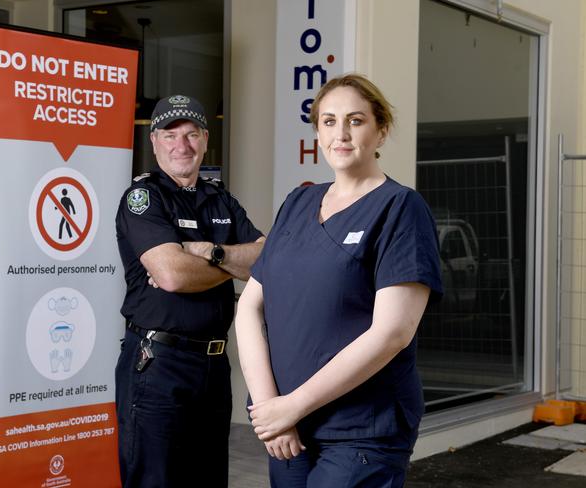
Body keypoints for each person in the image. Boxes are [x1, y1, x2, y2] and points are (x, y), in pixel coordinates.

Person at [235, 74, 443, 488]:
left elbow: (392, 334)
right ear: (317, 131)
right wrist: (269, 409)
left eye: (356, 120)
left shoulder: (400, 208)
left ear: (381, 129)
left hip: (362, 430)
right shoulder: (298, 202)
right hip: (286, 430)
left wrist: (292, 405)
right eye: (328, 121)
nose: (341, 134)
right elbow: (249, 307)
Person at [115, 94, 265, 488]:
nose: (181, 145)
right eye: (170, 135)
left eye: (191, 134)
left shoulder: (222, 200)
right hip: (158, 363)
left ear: (205, 139)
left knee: (208, 478)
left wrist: (209, 252)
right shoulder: (143, 199)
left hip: (214, 366)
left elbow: (268, 260)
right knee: (155, 480)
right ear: (154, 141)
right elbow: (171, 276)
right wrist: (232, 263)